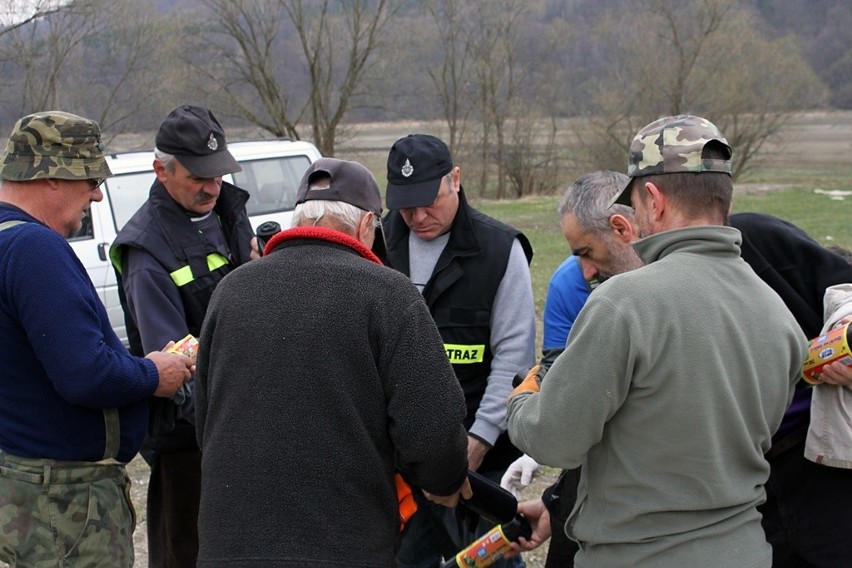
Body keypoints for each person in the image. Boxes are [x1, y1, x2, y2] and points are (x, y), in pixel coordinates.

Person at [507, 114, 807, 568]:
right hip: (744, 550)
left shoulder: (624, 303)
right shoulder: (778, 314)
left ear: (652, 198)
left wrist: (522, 400)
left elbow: (554, 439)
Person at [194, 157, 471, 566]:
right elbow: (433, 427)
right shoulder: (388, 295)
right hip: (343, 548)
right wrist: (444, 480)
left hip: (229, 547)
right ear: (365, 227)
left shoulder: (230, 292)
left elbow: (207, 420)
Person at [0, 111, 193, 567]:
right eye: (89, 177)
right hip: (64, 505)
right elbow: (85, 374)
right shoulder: (33, 248)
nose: (97, 192)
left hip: (25, 482)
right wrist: (153, 373)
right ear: (51, 176)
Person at [110, 104, 255, 567]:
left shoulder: (229, 212)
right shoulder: (146, 251)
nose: (213, 187)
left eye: (219, 174)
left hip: (247, 426)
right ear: (161, 170)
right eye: (199, 177)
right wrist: (236, 430)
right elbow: (177, 376)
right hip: (191, 446)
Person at [382, 134, 536, 567]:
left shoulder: (499, 250)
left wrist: (480, 438)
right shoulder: (378, 245)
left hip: (479, 461)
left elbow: (513, 357)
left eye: (429, 201)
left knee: (490, 560)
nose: (418, 216)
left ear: (456, 180)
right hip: (402, 465)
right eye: (406, 205)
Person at [503, 171, 641, 567]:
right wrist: (553, 500)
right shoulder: (569, 283)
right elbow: (558, 381)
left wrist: (523, 408)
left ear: (623, 228)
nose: (585, 272)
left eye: (586, 252)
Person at [729, 211, 852, 566]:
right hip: (746, 483)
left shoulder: (753, 238)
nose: (588, 271)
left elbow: (841, 289)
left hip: (820, 462)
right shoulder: (633, 297)